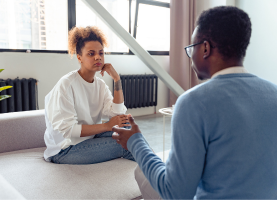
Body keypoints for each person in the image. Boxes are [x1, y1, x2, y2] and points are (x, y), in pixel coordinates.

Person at [112, 6, 277, 199]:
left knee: (142, 172)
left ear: (205, 48)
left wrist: (135, 141)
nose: (190, 58)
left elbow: (176, 194)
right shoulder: (273, 93)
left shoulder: (193, 102)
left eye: (191, 49)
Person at [43, 26, 135, 164]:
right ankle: (159, 177)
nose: (98, 57)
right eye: (91, 54)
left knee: (130, 130)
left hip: (89, 138)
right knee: (127, 144)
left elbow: (117, 113)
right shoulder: (66, 84)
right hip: (65, 149)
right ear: (79, 57)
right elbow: (69, 130)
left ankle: (159, 174)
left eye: (101, 53)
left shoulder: (100, 85)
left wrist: (117, 79)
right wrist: (106, 126)